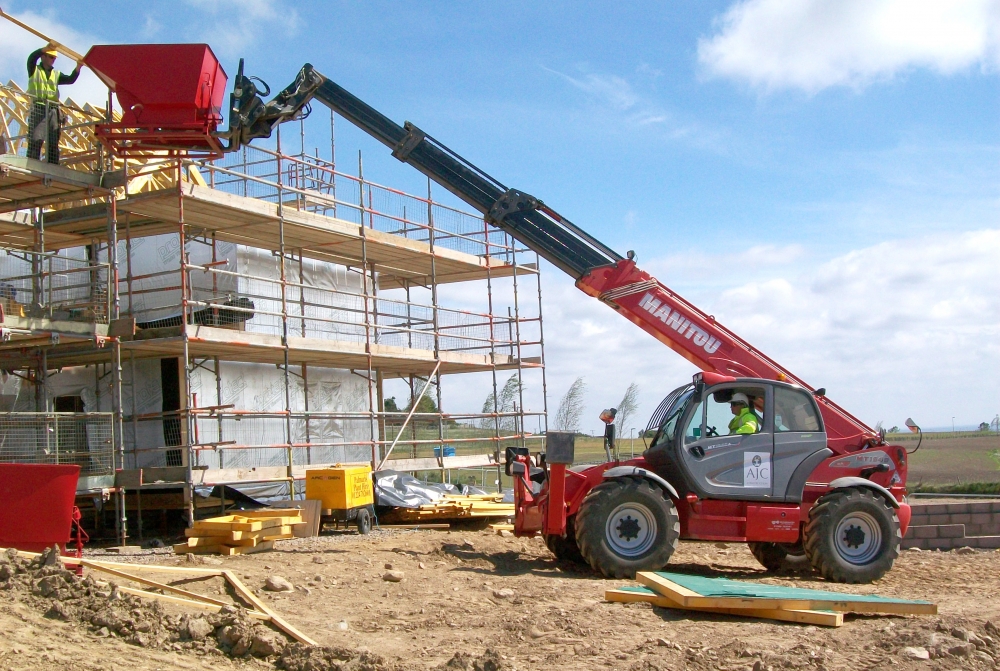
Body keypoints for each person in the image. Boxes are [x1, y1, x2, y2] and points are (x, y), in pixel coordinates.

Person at [26, 43, 81, 164]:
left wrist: (78, 67)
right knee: (36, 138)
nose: (53, 60)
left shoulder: (56, 74)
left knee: (53, 141)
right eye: (51, 57)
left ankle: (52, 165)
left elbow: (70, 79)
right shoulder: (34, 70)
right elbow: (32, 58)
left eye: (54, 58)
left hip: (53, 110)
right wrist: (44, 48)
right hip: (39, 108)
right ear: (43, 57)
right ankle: (32, 163)